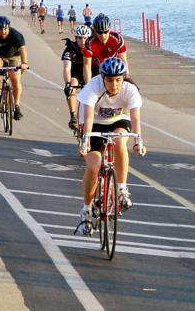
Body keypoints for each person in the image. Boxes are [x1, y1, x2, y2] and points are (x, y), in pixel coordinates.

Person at [76, 57, 146, 234]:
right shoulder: (93, 87)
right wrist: (85, 141)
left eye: (118, 80)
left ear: (123, 78)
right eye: (109, 80)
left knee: (119, 141)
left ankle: (122, 189)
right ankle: (86, 210)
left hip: (118, 120)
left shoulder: (130, 90)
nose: (114, 84)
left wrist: (138, 141)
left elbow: (135, 118)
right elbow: (88, 117)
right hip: (94, 123)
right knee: (93, 166)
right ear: (102, 77)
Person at [0, 16, 29, 120]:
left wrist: (24, 63)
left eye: (5, 29)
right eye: (0, 30)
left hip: (14, 56)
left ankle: (16, 106)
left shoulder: (16, 35)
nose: (3, 32)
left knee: (15, 79)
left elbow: (23, 50)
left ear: (8, 27)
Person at [61, 24, 92, 129]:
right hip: (76, 75)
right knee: (72, 86)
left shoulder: (93, 48)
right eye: (80, 38)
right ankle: (73, 115)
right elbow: (66, 67)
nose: (82, 41)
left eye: (85, 38)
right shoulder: (70, 49)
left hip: (90, 74)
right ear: (75, 38)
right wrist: (67, 84)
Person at [83, 13, 128, 82]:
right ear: (94, 31)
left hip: (114, 67)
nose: (103, 36)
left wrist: (126, 77)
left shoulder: (118, 39)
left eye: (105, 32)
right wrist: (88, 85)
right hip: (97, 68)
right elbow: (87, 66)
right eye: (99, 32)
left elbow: (123, 61)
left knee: (132, 86)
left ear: (109, 30)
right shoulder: (89, 43)